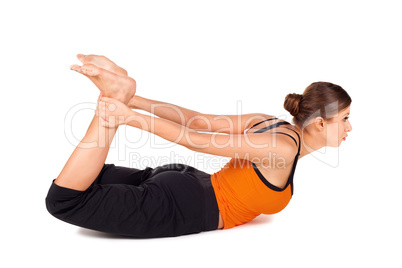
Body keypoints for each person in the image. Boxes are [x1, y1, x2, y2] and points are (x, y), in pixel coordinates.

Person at [45, 54, 352, 238]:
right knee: (64, 200)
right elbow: (199, 139)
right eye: (345, 119)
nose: (349, 128)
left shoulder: (268, 121)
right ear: (321, 123)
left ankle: (117, 93)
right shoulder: (283, 149)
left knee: (88, 177)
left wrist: (132, 100)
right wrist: (128, 116)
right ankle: (109, 113)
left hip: (183, 180)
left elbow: (196, 120)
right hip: (187, 205)